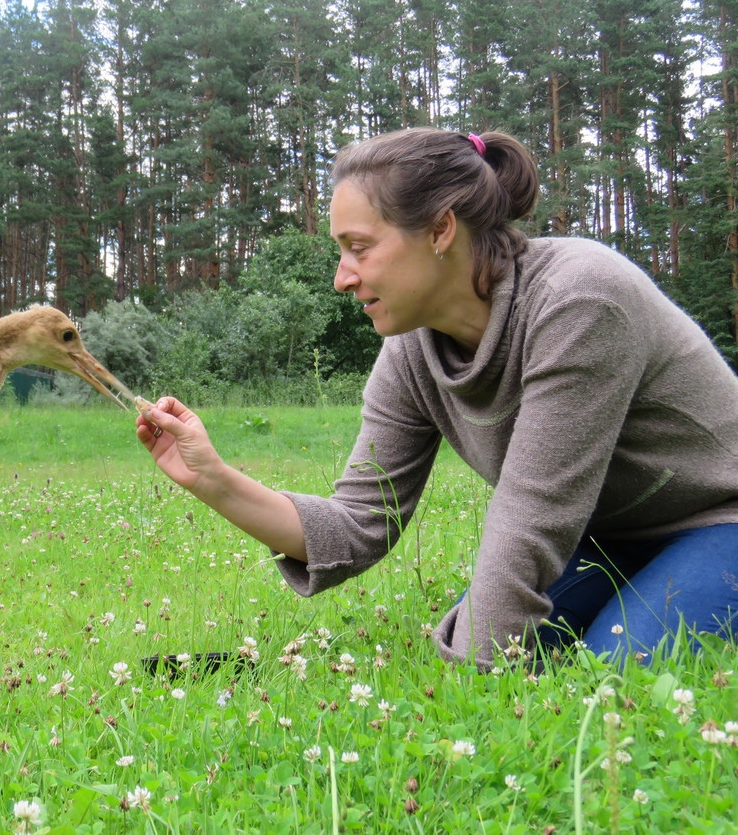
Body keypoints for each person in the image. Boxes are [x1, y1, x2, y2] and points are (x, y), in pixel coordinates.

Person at [135, 127, 738, 669]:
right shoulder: (410, 350)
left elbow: (532, 512)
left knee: (614, 673)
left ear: (441, 229)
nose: (342, 276)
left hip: (719, 520)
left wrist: (473, 671)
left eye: (360, 247)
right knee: (492, 640)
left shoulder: (579, 299)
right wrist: (211, 477)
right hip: (605, 540)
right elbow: (358, 525)